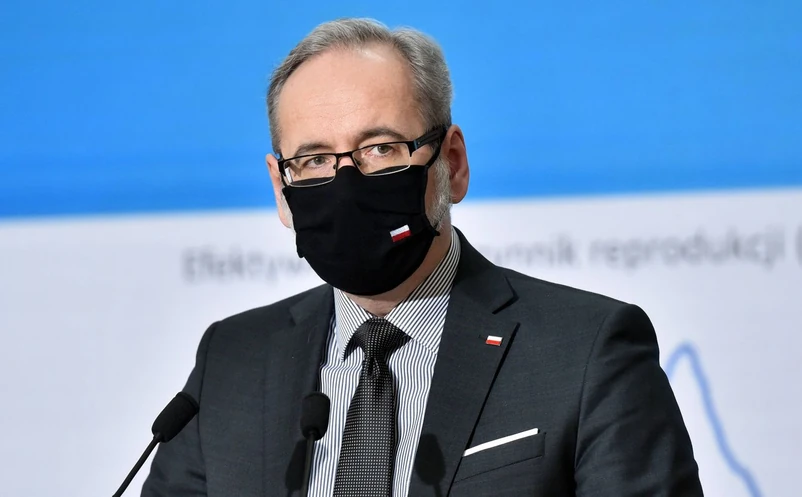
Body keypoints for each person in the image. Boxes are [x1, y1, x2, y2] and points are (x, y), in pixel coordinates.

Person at [142, 17, 703, 497]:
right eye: (314, 160)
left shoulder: (587, 352)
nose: (346, 183)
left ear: (451, 163)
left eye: (381, 148)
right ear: (280, 188)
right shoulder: (232, 362)